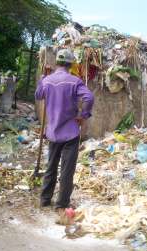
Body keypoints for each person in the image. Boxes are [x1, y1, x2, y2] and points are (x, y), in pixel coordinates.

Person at [35, 49, 94, 215]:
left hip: (53, 132)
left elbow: (39, 95)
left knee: (50, 167)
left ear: (58, 63)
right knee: (67, 170)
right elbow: (89, 98)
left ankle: (45, 200)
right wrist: (84, 115)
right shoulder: (75, 81)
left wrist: (43, 78)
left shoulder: (47, 81)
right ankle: (61, 204)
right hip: (70, 133)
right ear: (71, 64)